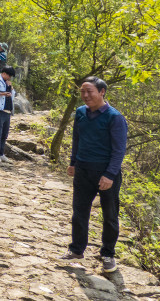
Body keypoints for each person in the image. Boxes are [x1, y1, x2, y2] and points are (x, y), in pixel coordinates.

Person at [60, 77, 127, 273]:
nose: (86, 95)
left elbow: (119, 150)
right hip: (83, 169)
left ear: (102, 92)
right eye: (83, 92)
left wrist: (109, 174)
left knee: (110, 215)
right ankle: (77, 250)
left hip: (105, 173)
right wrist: (73, 162)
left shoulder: (114, 117)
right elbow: (77, 139)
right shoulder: (80, 113)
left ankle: (107, 254)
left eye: (90, 91)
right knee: (79, 211)